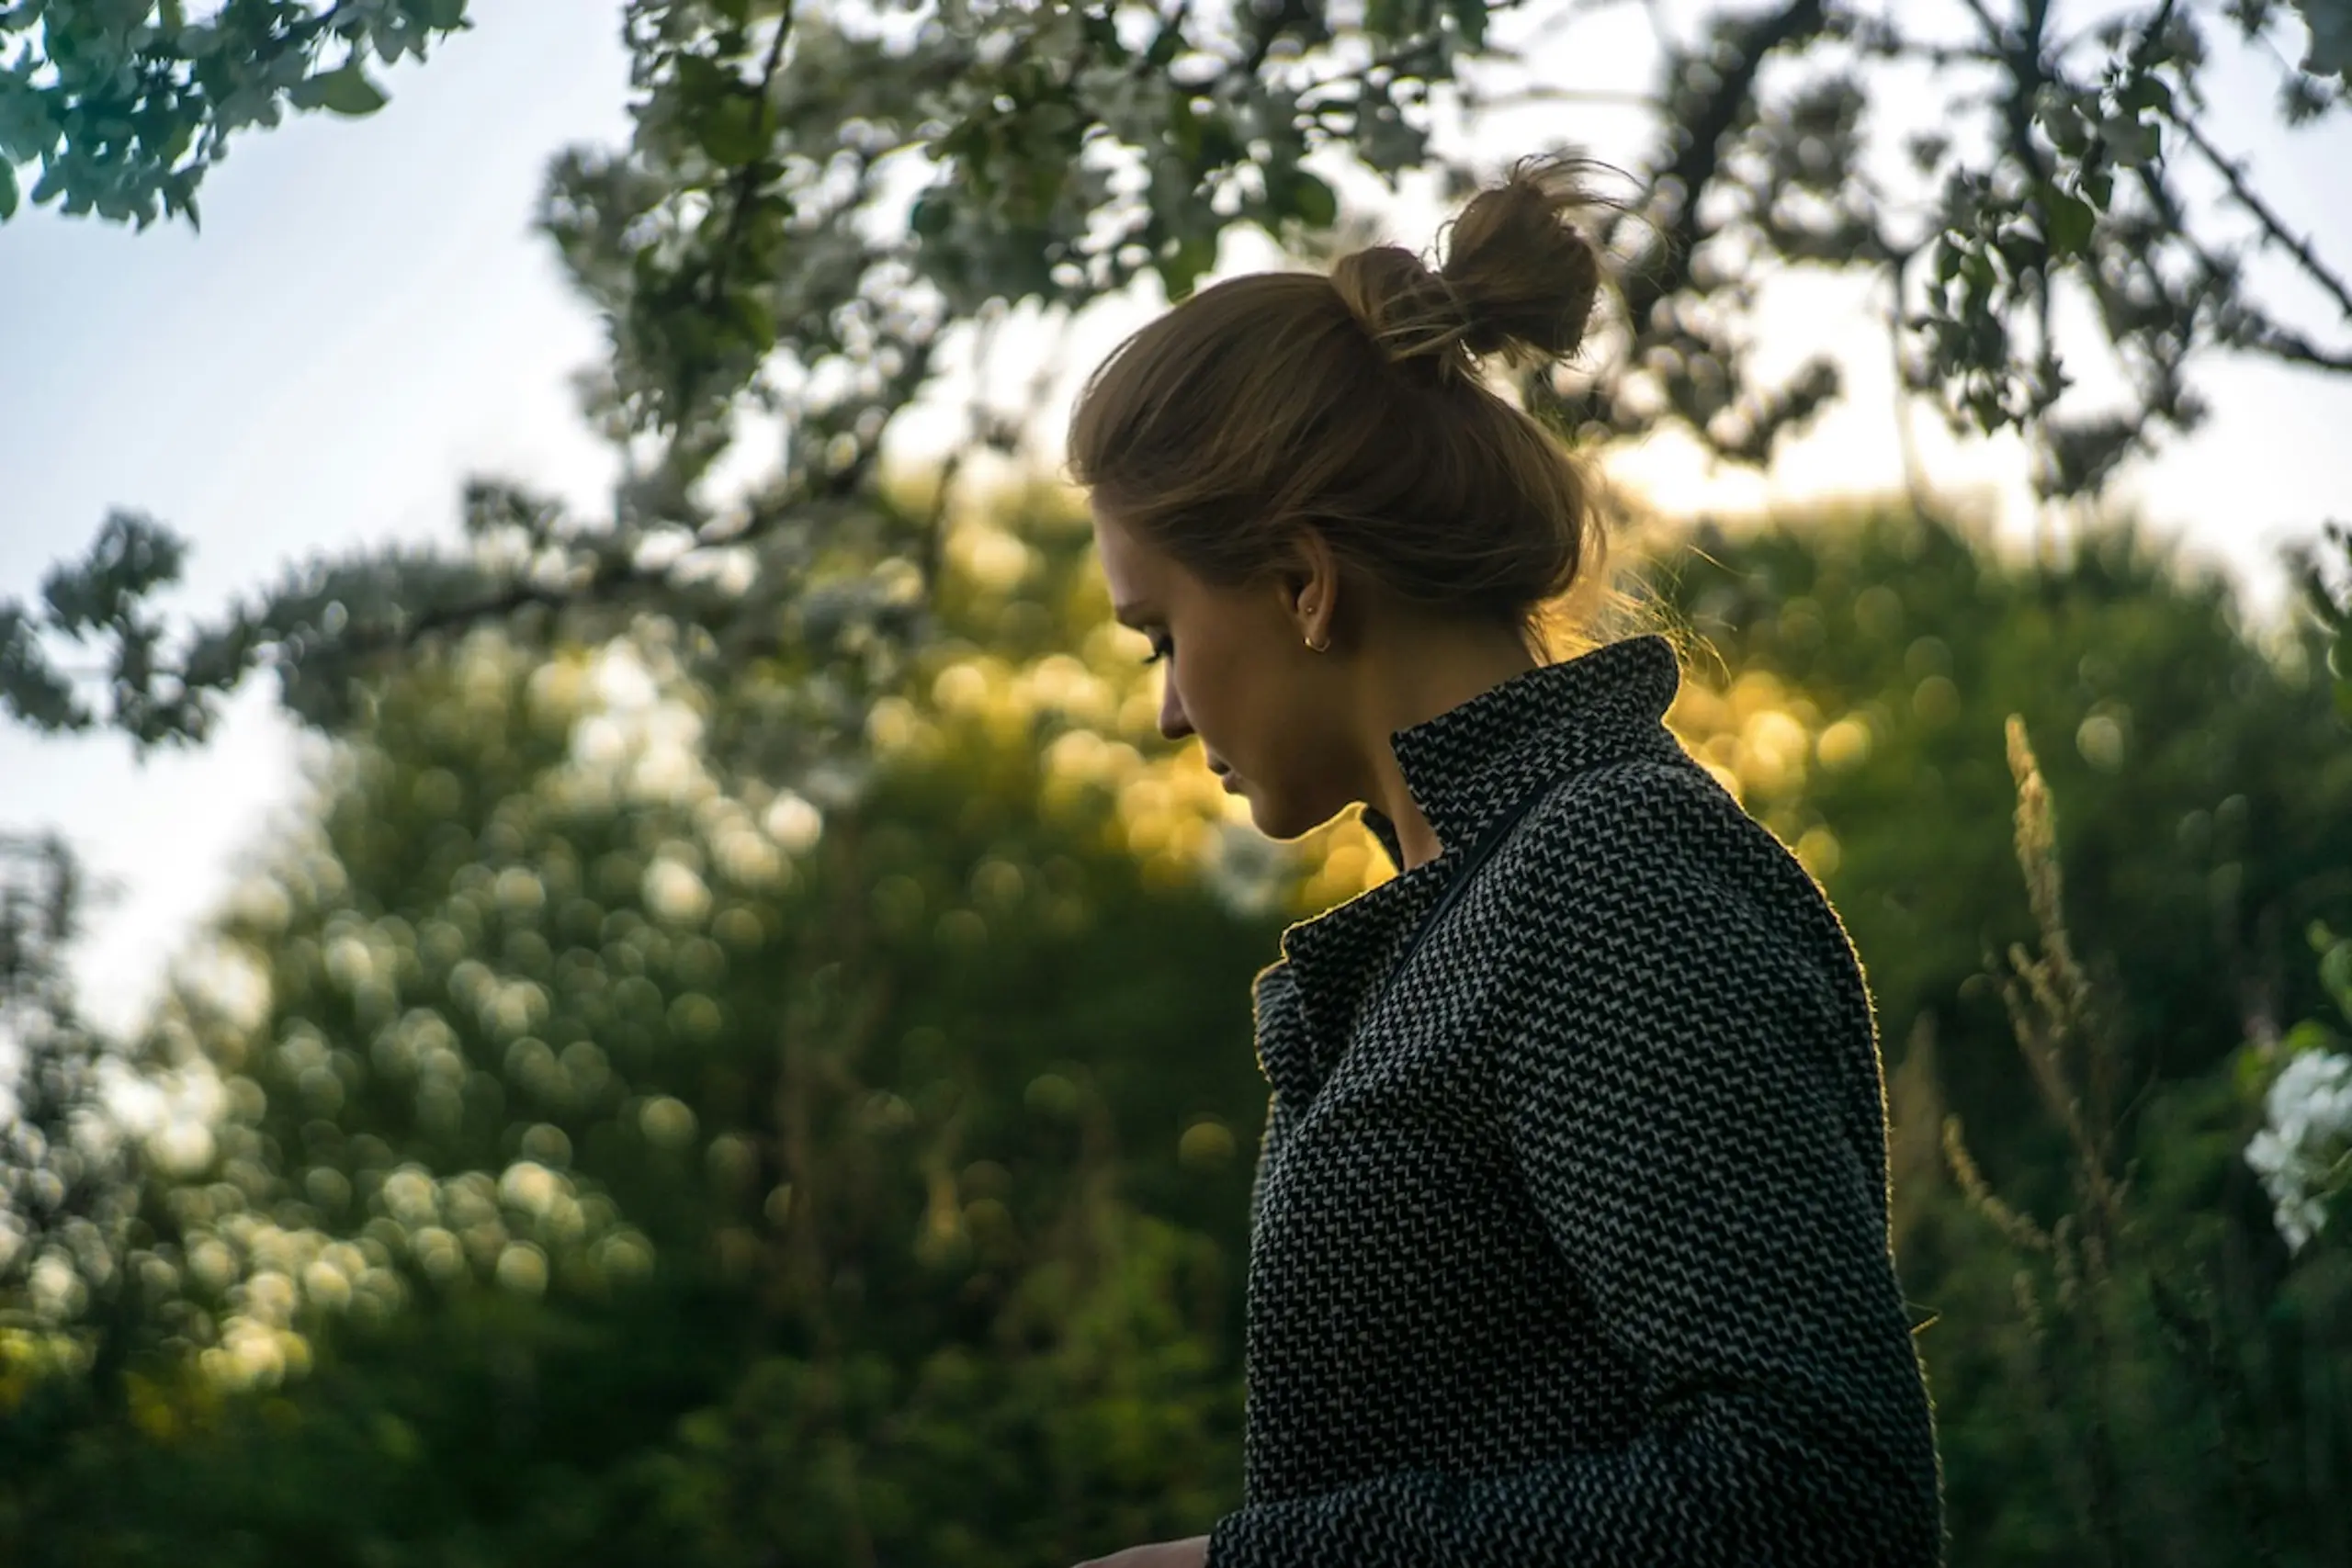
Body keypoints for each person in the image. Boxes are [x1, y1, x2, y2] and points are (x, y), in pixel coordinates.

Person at [1060, 155, 1945, 1568]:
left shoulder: (1606, 874)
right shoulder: (1473, 911)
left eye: (1162, 634)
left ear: (1302, 582)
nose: (1167, 708)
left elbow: (1818, 1497)